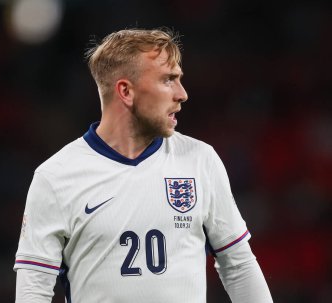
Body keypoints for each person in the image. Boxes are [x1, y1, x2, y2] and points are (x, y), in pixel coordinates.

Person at [14, 28, 273, 302]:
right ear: (125, 90)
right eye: (168, 80)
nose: (182, 94)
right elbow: (34, 289)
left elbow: (239, 265)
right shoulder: (56, 176)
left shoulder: (200, 160)